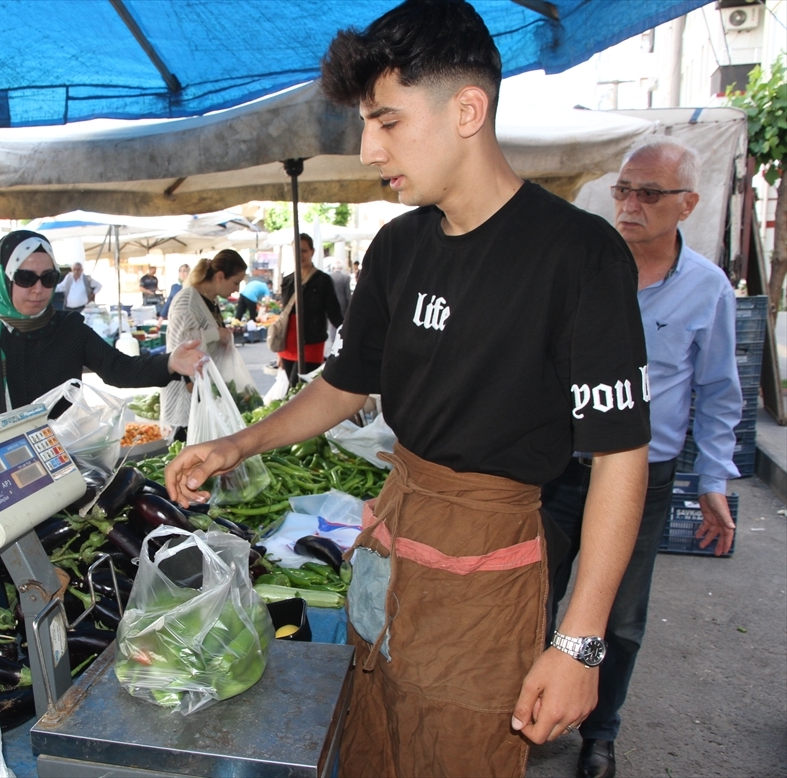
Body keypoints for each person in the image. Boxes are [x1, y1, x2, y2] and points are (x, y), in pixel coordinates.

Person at [163, 2, 652, 776]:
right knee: (370, 746)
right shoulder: (397, 248)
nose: (366, 149)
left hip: (489, 568)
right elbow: (348, 386)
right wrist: (237, 442)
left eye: (386, 121)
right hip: (391, 541)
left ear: (468, 109)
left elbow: (621, 460)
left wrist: (578, 643)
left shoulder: (578, 255)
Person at [543, 139, 741, 778]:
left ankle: (600, 734)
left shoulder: (707, 290)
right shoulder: (577, 268)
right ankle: (528, 714)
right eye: (623, 189)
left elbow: (715, 393)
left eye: (648, 194)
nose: (629, 205)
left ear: (688, 204)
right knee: (531, 597)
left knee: (619, 615)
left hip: (643, 480)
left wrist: (713, 478)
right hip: (556, 468)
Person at [0, 230, 205, 428]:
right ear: (3, 277)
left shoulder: (69, 329)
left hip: (59, 455)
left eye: (48, 278)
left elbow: (119, 369)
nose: (38, 289)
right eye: (25, 277)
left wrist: (170, 362)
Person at [161, 250, 248, 432]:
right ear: (220, 276)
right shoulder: (187, 301)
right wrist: (216, 334)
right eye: (236, 282)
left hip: (205, 395)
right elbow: (181, 345)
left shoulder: (211, 299)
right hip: (186, 398)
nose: (237, 289)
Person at [276, 233, 343, 384]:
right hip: (288, 345)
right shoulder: (287, 281)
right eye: (296, 251)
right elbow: (283, 315)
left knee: (297, 392)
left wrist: (348, 334)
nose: (300, 255)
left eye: (304, 250)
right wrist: (279, 352)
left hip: (311, 344)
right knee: (293, 390)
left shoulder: (323, 280)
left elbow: (334, 314)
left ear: (312, 251)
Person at [327, 259, 353, 343]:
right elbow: (348, 295)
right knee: (342, 325)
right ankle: (340, 343)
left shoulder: (329, 277)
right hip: (343, 305)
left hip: (331, 305)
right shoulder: (346, 278)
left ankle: (333, 343)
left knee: (332, 327)